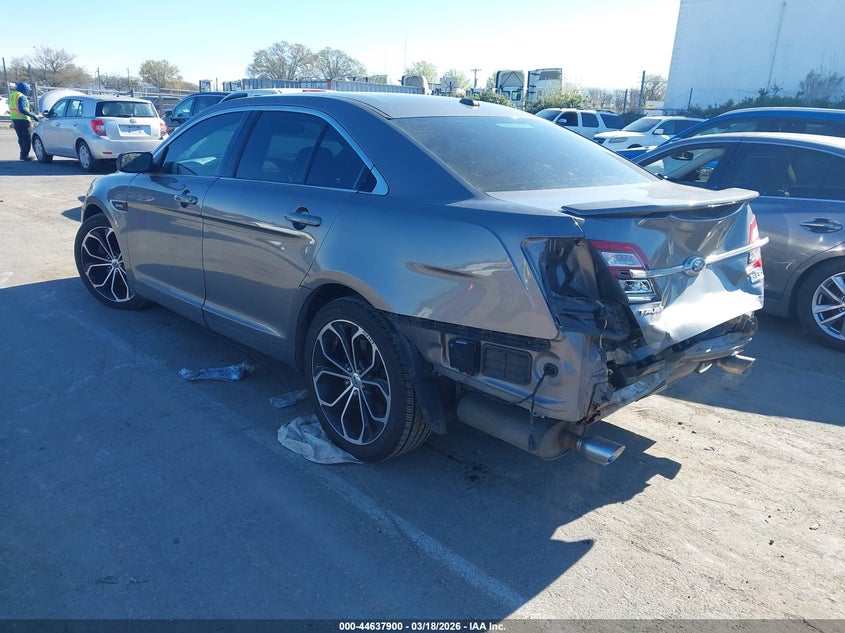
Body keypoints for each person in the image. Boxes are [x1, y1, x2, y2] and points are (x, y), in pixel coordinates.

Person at [9, 82, 41, 161]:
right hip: (23, 120)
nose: (28, 91)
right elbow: (22, 109)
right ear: (24, 89)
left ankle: (22, 154)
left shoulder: (12, 95)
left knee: (21, 138)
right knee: (27, 138)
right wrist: (33, 115)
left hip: (15, 119)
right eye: (27, 90)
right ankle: (24, 156)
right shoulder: (21, 96)